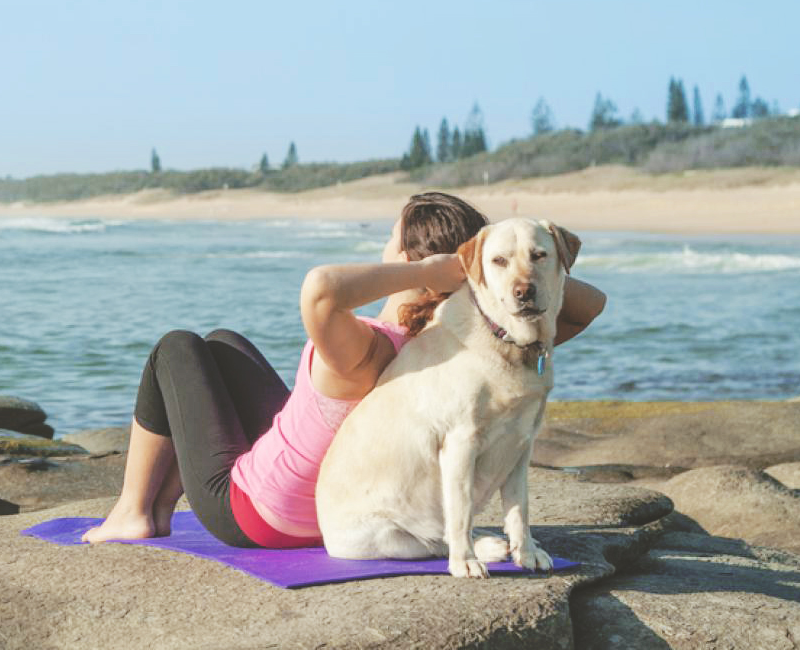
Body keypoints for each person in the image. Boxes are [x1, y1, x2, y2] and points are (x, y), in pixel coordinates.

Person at [82, 192, 607, 548]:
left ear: (401, 254)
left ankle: (135, 510)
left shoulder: (365, 346)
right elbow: (590, 304)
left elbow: (321, 288)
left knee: (176, 348)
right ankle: (164, 494)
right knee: (222, 346)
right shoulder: (458, 348)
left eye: (391, 237)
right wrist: (512, 255)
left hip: (260, 517)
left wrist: (433, 271)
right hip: (353, 504)